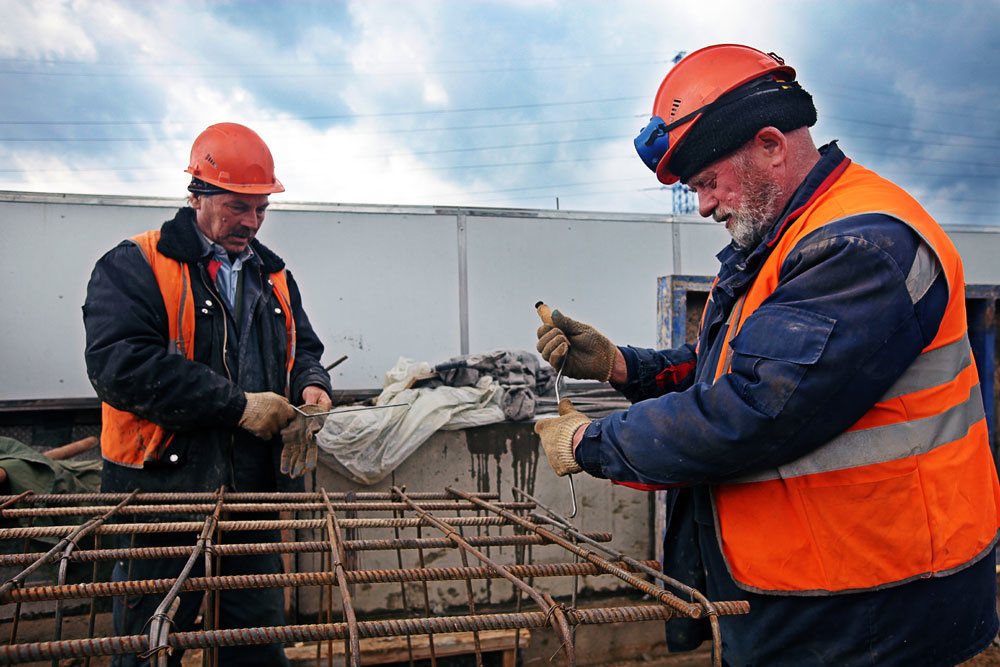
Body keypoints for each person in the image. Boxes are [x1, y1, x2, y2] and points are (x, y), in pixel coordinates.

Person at [533, 44, 1000, 665]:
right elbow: (730, 365)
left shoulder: (863, 245)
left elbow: (751, 409)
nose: (702, 205)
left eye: (706, 182)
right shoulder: (795, 236)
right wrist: (621, 365)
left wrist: (591, 441)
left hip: (873, 605)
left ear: (772, 145)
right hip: (819, 586)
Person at [83, 122, 333, 666]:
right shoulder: (136, 263)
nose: (251, 221)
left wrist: (312, 385)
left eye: (261, 208)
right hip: (161, 496)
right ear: (198, 195)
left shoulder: (273, 276)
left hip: (250, 497)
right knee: (152, 641)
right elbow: (119, 365)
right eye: (237, 206)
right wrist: (239, 407)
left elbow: (304, 348)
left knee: (254, 642)